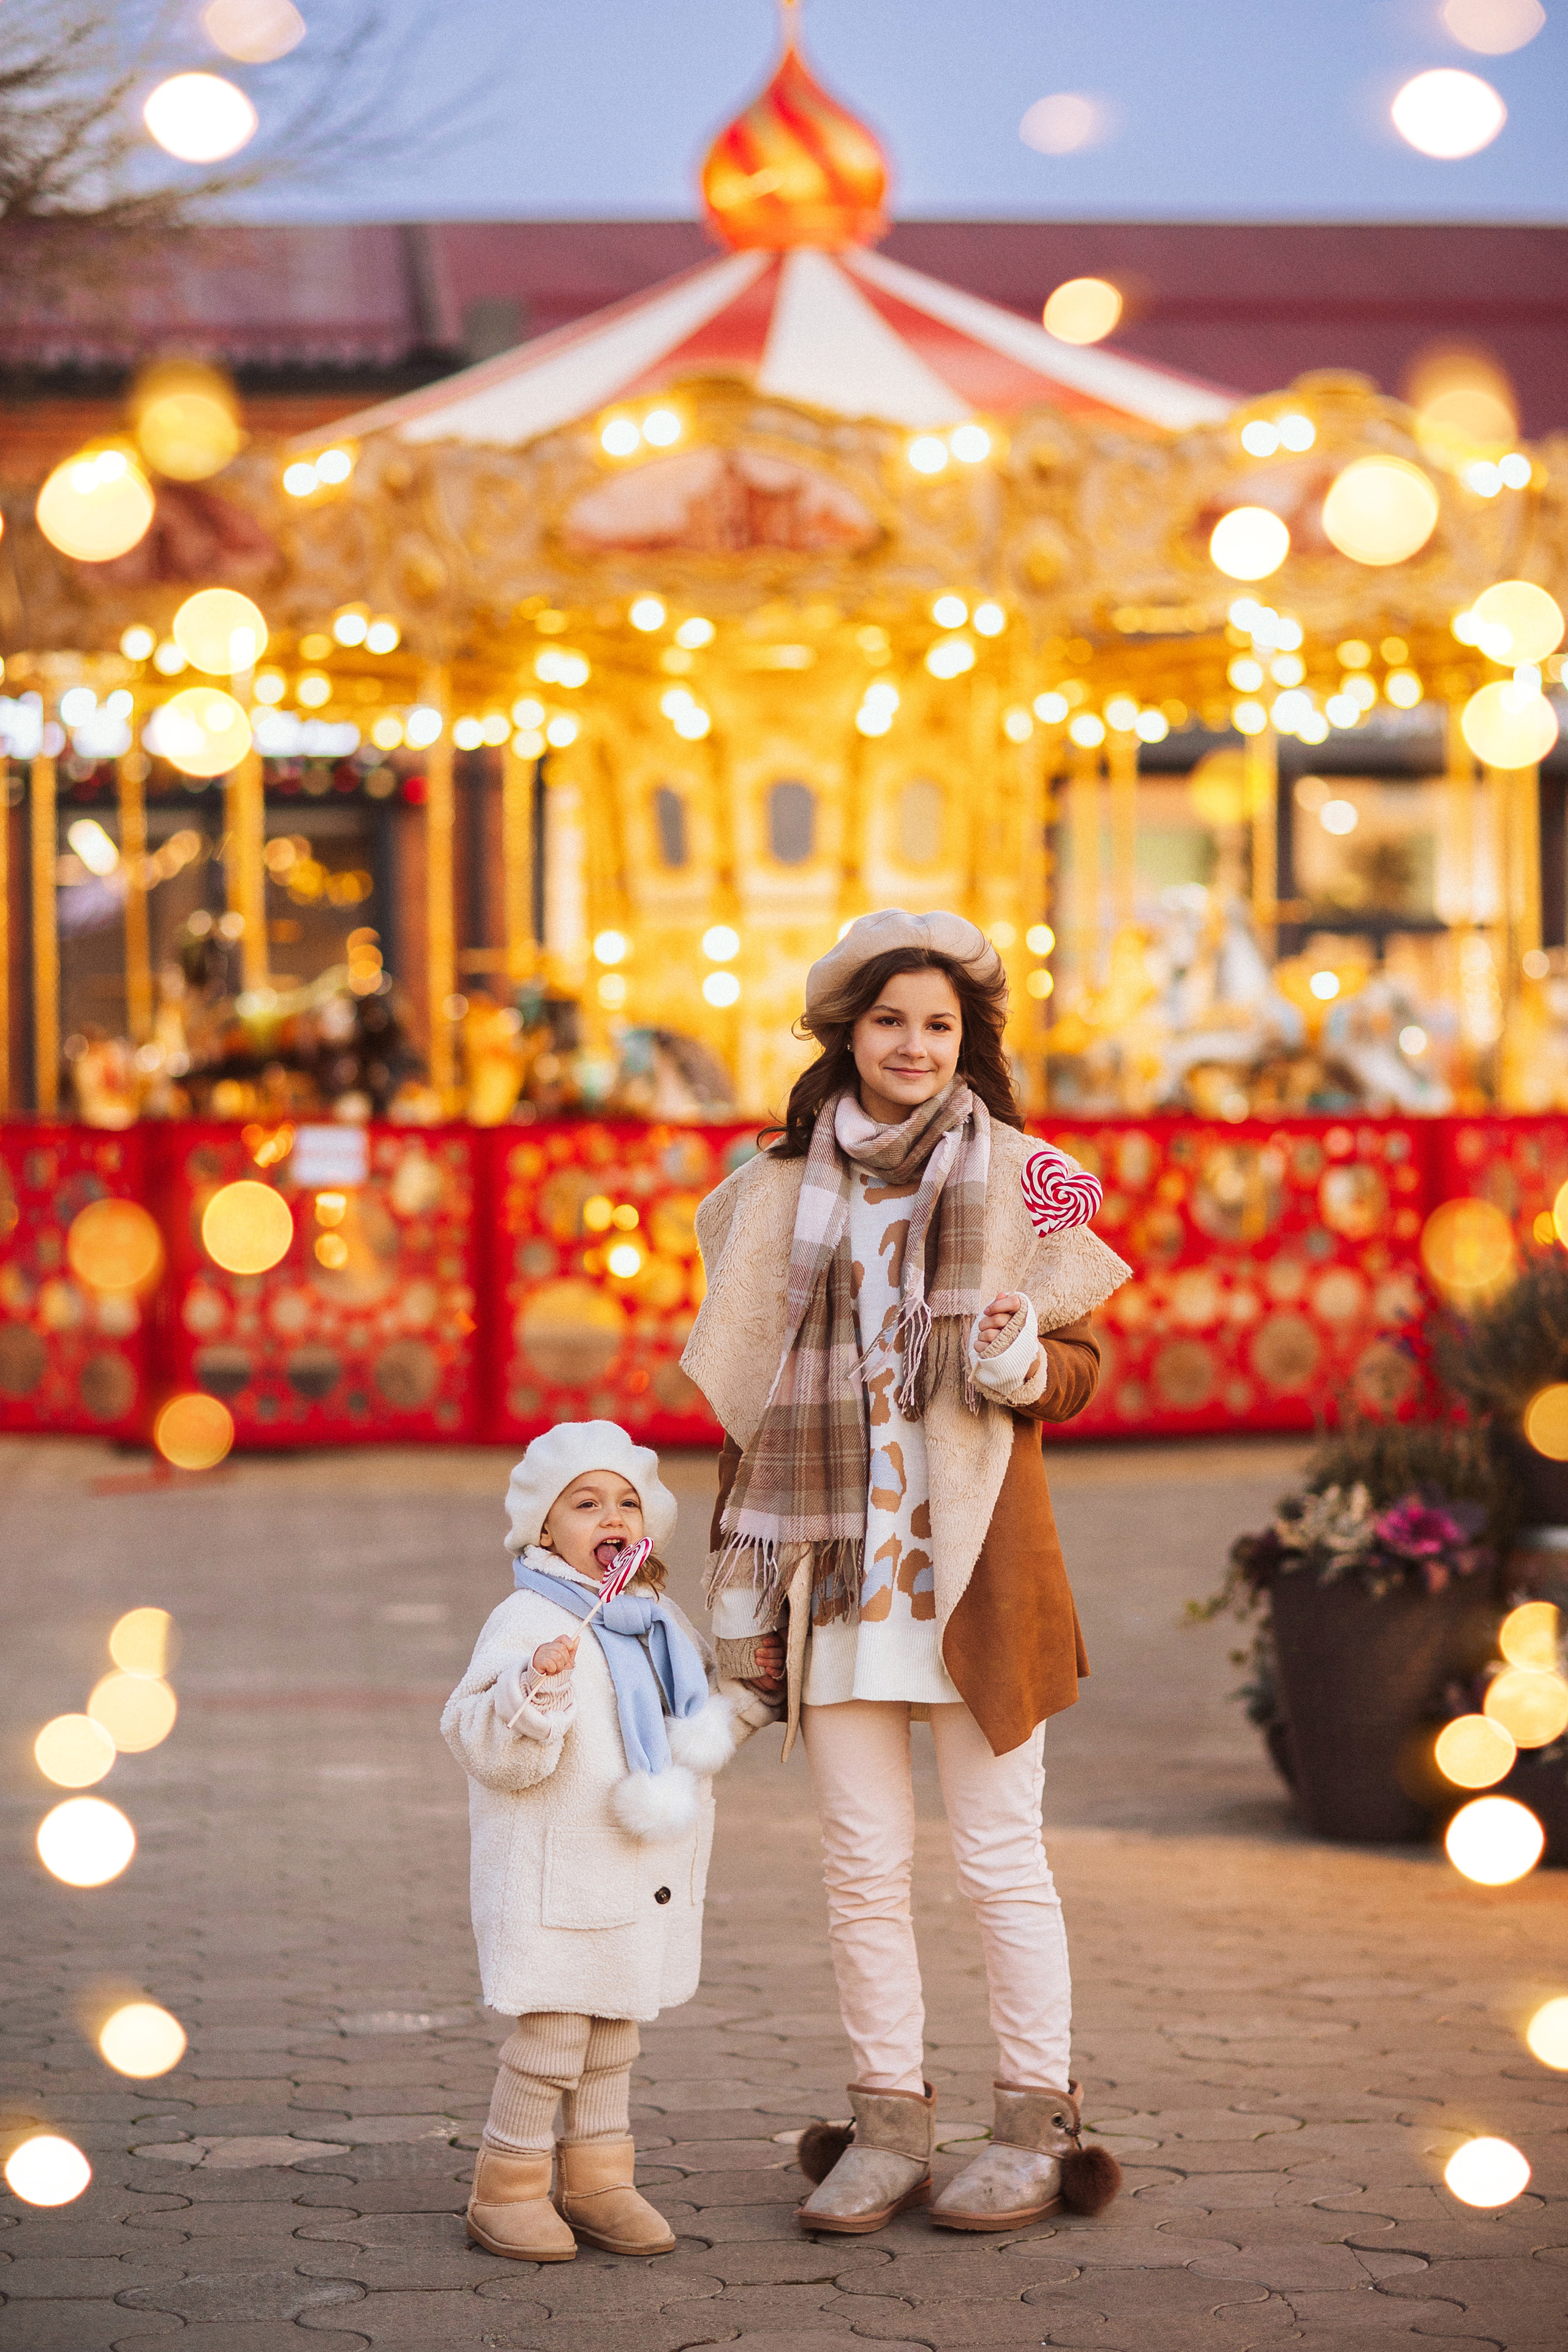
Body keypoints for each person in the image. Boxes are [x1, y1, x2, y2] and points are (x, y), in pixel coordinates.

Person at [680, 909, 1130, 2235]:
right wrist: (737, 1584)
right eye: (889, 1021)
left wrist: (1011, 1364)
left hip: (976, 1570)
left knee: (999, 1860)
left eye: (937, 1024)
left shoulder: (1024, 1178)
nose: (913, 1045)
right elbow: (747, 1395)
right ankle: (883, 2122)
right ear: (846, 1035)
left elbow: (1084, 1370)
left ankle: (1033, 2123)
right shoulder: (772, 1190)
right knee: (858, 1866)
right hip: (836, 1574)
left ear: (966, 1040)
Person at [442, 1421, 772, 2261]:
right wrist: (532, 1692)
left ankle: (599, 2181)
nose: (611, 1515)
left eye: (627, 1501)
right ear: (545, 1531)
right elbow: (479, 1741)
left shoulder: (656, 1619)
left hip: (635, 1875)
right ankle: (507, 2185)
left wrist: (744, 1699)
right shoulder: (528, 1620)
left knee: (616, 2033)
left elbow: (690, 1719)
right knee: (554, 2037)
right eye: (586, 1503)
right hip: (558, 1877)